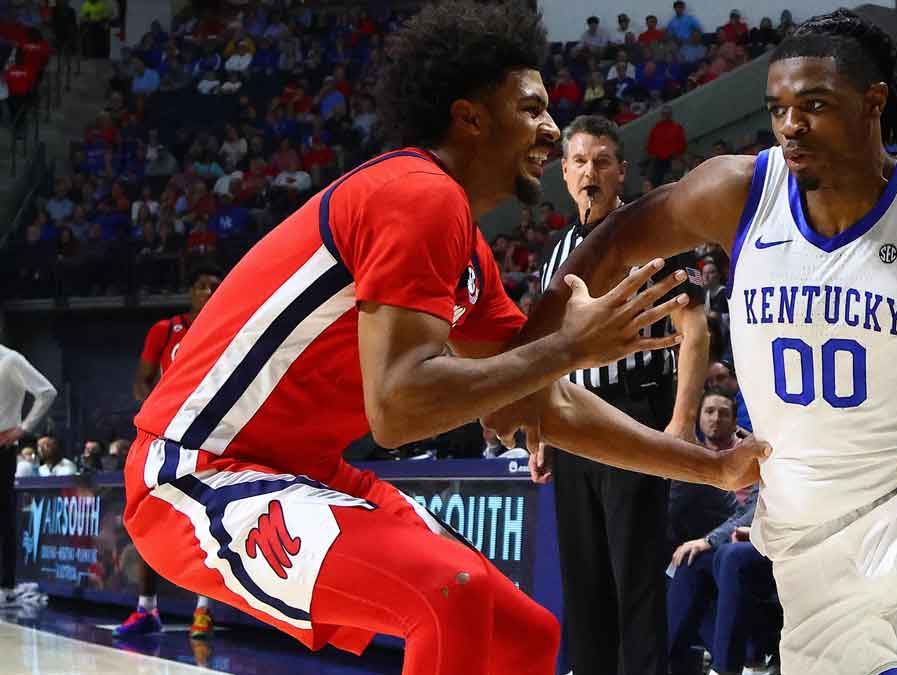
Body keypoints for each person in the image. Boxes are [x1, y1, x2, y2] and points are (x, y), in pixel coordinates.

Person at [122, 4, 764, 675]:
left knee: (521, 630)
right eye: (533, 108)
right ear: (471, 117)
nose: (550, 130)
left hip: (300, 470)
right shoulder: (416, 195)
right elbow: (398, 409)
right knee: (446, 597)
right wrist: (569, 347)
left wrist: (711, 466)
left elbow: (536, 405)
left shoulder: (463, 247)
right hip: (195, 470)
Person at [490, 9, 897, 675]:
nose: (791, 123)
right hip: (802, 518)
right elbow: (615, 240)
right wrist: (521, 365)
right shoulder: (739, 191)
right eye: (780, 107)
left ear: (872, 102)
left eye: (814, 105)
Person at [538, 114, 708, 675]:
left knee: (634, 577)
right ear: (564, 173)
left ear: (622, 173)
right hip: (569, 425)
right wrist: (538, 433)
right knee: (582, 580)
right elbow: (544, 349)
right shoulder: (555, 252)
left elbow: (695, 331)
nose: (591, 173)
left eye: (602, 161)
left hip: (634, 413)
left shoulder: (655, 235)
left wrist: (680, 427)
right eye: (581, 162)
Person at [116, 267, 224, 640]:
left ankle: (203, 611)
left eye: (215, 286)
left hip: (210, 436)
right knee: (148, 518)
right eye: (201, 285)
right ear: (191, 291)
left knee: (207, 522)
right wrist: (160, 410)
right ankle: (146, 609)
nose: (208, 292)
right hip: (164, 436)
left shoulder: (231, 328)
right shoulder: (166, 329)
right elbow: (140, 381)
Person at [667, 390, 777, 675]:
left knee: (730, 556)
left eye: (723, 413)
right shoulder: (764, 451)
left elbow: (756, 511)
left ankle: (725, 668)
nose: (715, 419)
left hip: (784, 538)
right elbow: (748, 510)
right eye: (709, 412)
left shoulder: (783, 451)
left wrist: (711, 539)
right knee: (692, 561)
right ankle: (664, 662)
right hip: (746, 537)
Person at [0, 344, 56, 607]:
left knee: (4, 516)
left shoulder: (10, 360)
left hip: (2, 448)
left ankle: (6, 586)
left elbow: (46, 392)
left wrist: (22, 429)